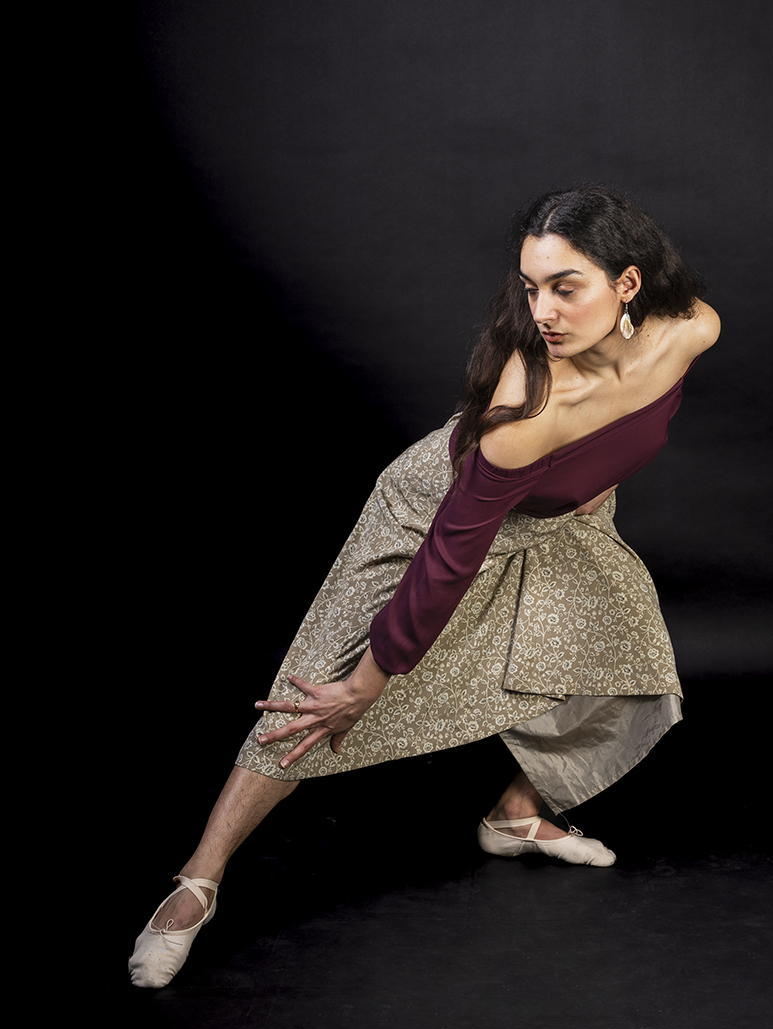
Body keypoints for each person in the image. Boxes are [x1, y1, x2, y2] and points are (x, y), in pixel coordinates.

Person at [130, 183, 719, 988]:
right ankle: (197, 883)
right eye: (530, 288)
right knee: (316, 696)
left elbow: (637, 421)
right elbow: (449, 556)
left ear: (628, 283)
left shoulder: (689, 328)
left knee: (629, 653)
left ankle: (514, 817)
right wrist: (365, 685)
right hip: (432, 514)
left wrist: (593, 484)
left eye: (564, 287)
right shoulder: (525, 410)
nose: (542, 311)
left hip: (553, 517)